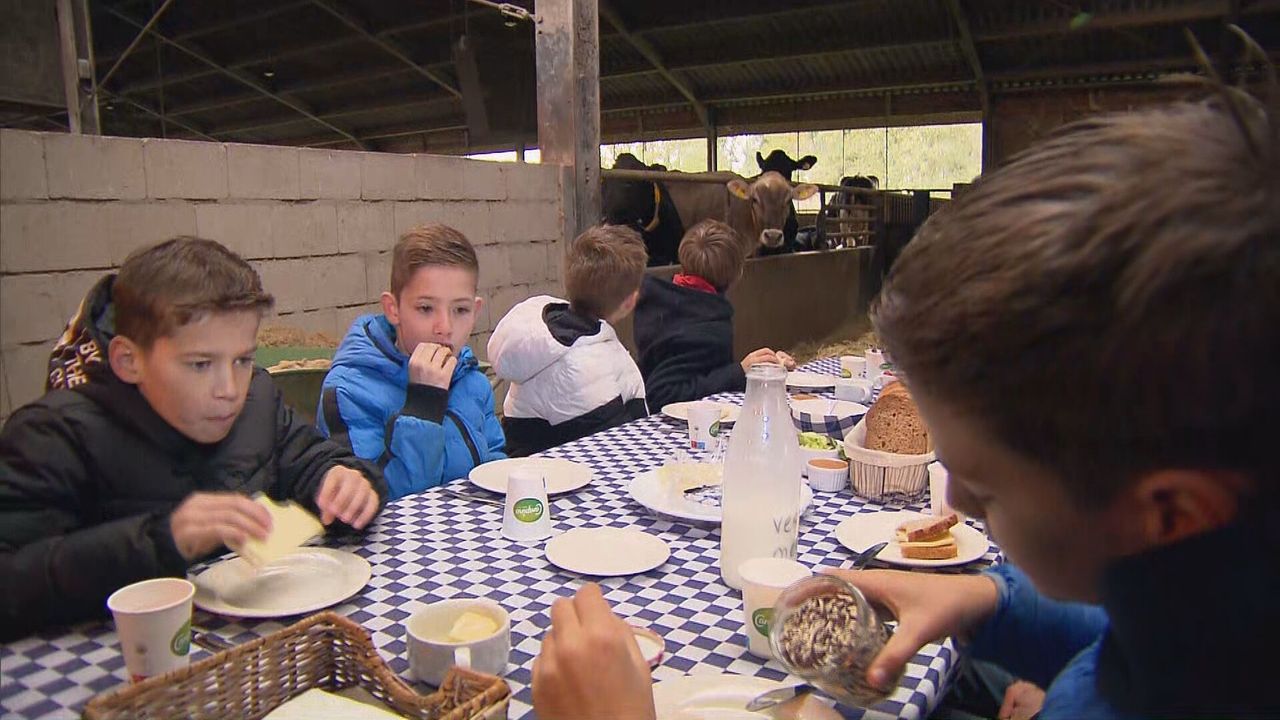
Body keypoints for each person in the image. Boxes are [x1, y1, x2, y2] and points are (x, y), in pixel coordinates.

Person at [531, 91, 1280, 718]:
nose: (952, 499)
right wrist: (989, 601)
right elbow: (1125, 621)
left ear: (1172, 512)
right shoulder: (1204, 618)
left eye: (983, 486)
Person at [0, 237, 386, 641]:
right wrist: (163, 539)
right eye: (201, 364)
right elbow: (11, 585)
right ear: (128, 360)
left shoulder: (257, 399)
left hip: (263, 649)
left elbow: (310, 458)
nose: (229, 388)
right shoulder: (53, 435)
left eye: (242, 359)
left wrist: (346, 480)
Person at [318, 224, 505, 500]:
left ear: (476, 311)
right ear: (393, 309)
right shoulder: (348, 392)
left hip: (470, 537)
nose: (445, 327)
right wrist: (423, 404)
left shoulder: (472, 381)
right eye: (426, 308)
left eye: (460, 310)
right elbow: (376, 505)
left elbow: (495, 470)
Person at [488, 225, 649, 457]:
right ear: (630, 301)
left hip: (524, 469)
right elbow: (619, 448)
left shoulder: (539, 332)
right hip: (562, 481)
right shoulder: (594, 363)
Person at [633, 219, 794, 410]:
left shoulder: (662, 297)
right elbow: (662, 395)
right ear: (737, 273)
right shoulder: (707, 324)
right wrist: (738, 372)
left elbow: (697, 370)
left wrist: (762, 370)